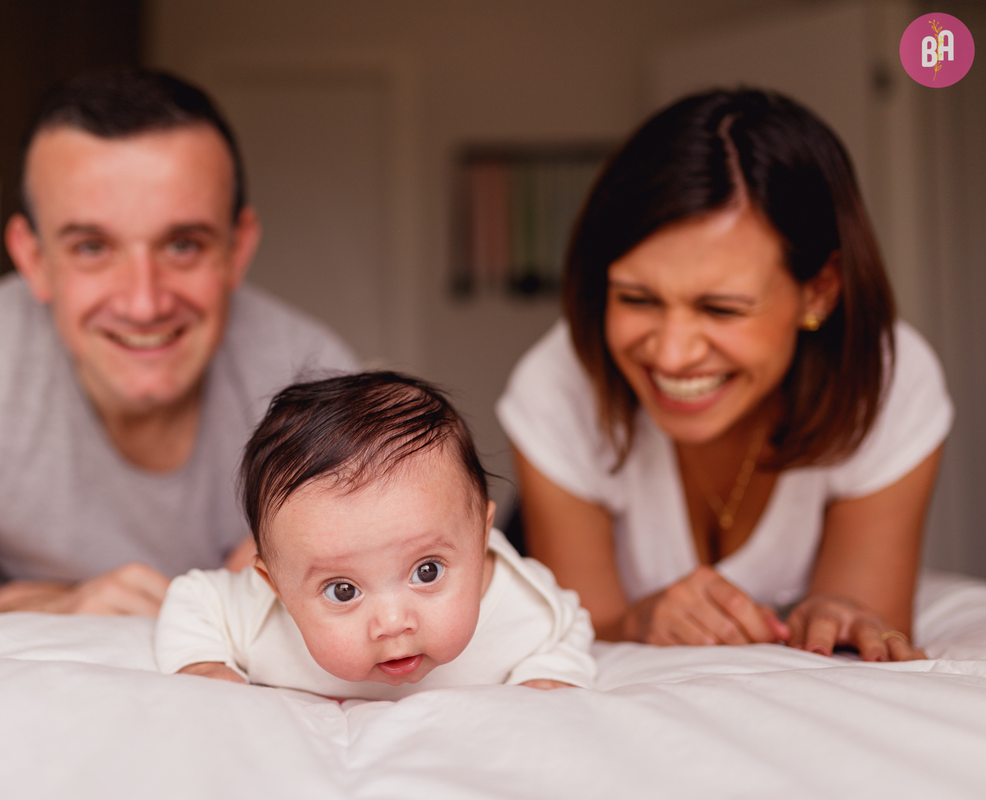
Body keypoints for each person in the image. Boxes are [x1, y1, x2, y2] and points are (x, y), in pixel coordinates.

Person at [0, 69, 358, 627]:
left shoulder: (315, 384)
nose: (143, 303)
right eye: (92, 247)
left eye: (183, 245)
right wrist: (53, 609)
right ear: (33, 258)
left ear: (238, 249)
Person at [497, 88, 952, 663]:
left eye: (721, 309)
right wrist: (636, 621)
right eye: (637, 298)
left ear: (819, 290)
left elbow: (865, 627)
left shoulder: (891, 381)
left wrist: (838, 616)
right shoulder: (557, 382)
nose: (672, 355)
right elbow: (578, 633)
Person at [155, 372, 596, 700]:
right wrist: (203, 663)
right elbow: (194, 598)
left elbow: (569, 623)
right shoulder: (261, 617)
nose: (392, 623)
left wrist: (550, 675)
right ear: (277, 587)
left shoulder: (521, 608)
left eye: (427, 571)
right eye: (342, 590)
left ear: (481, 538)